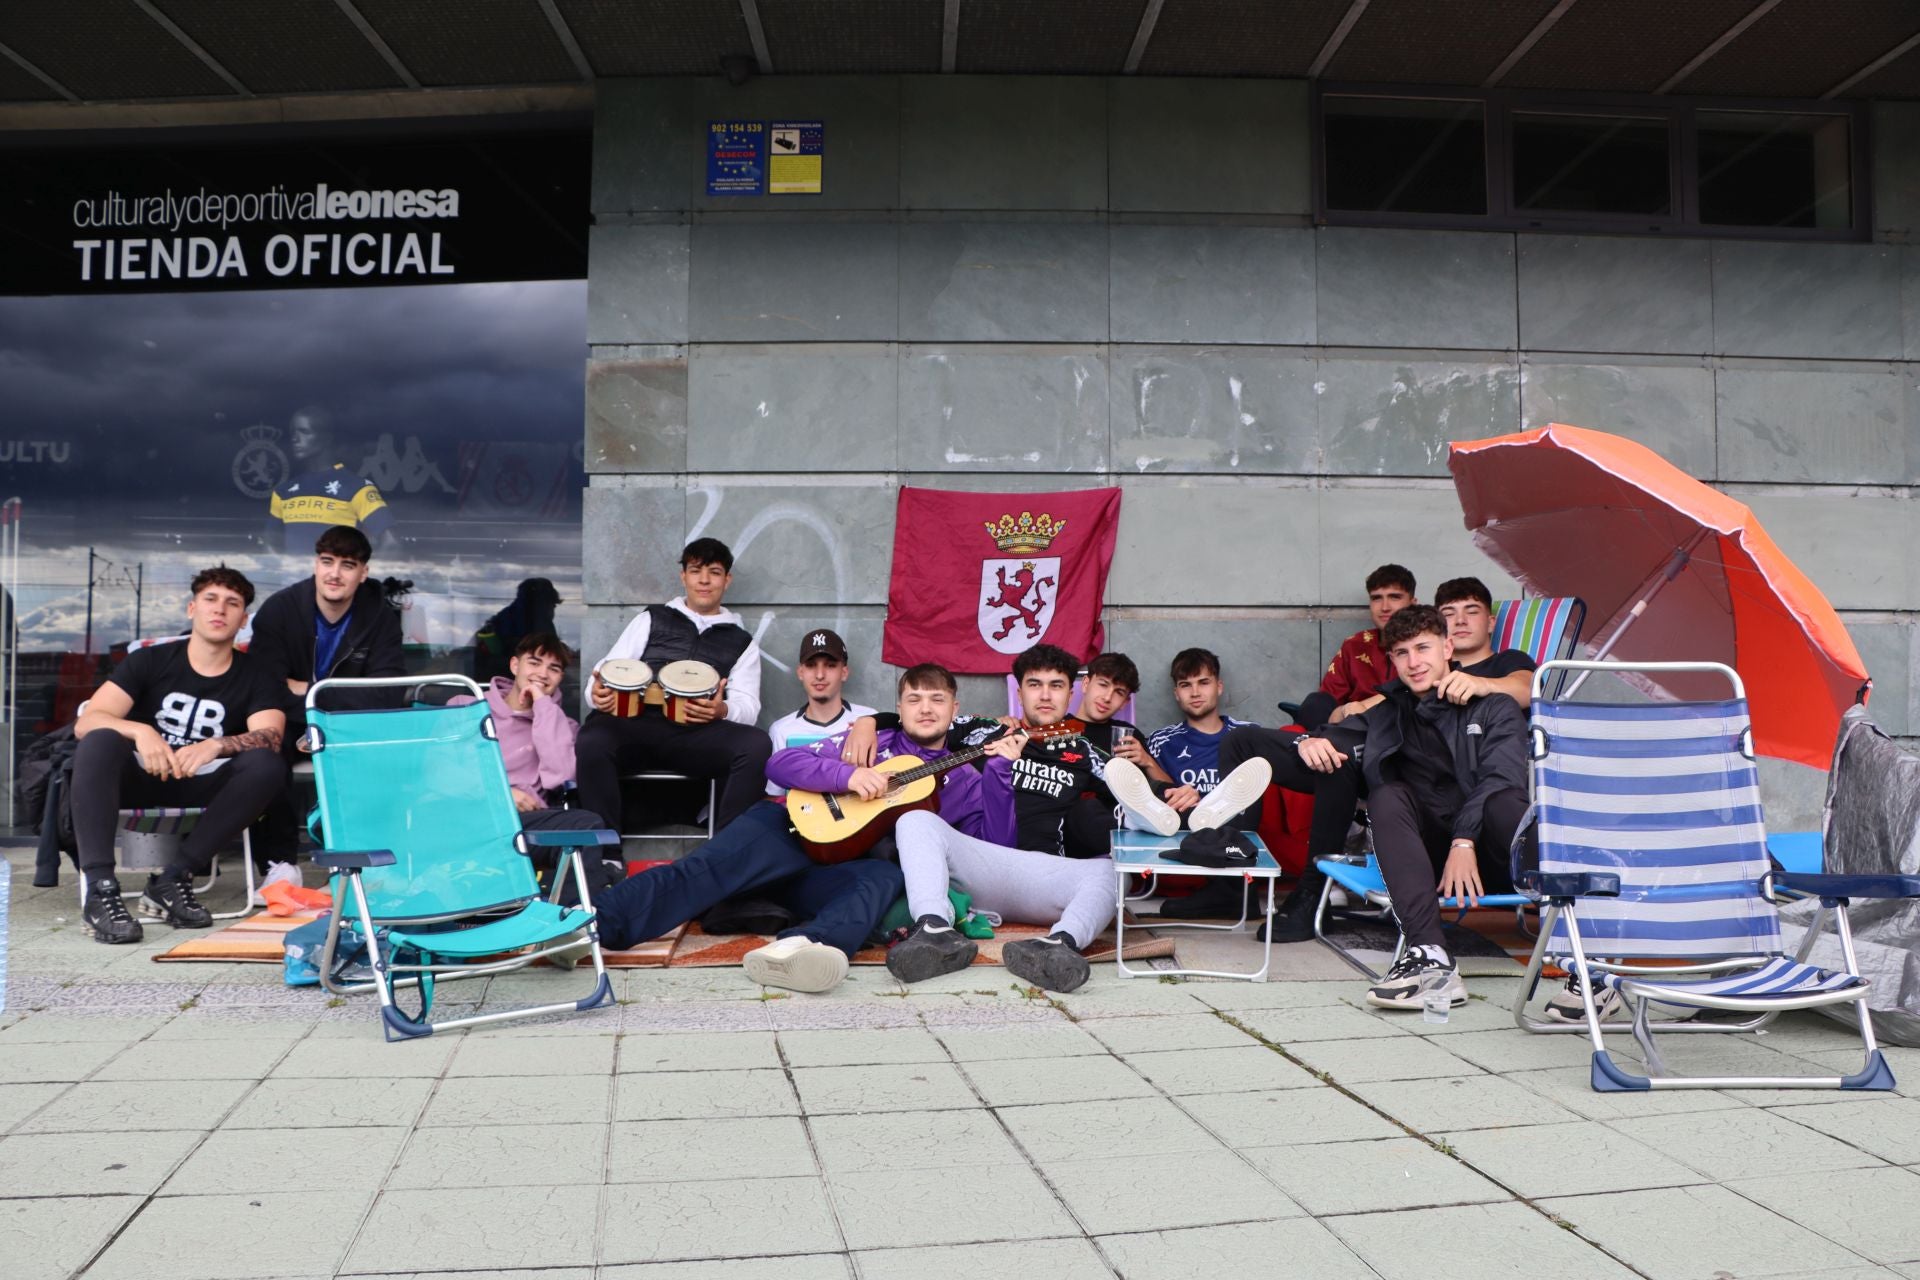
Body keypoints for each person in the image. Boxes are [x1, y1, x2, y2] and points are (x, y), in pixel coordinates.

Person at [588, 663, 1013, 993]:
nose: (925, 708)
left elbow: (991, 847)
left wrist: (999, 773)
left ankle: (800, 950)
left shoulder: (970, 782)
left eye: (937, 700)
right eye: (914, 699)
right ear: (898, 708)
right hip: (787, 828)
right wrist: (847, 777)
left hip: (837, 867)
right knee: (701, 871)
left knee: (881, 878)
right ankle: (589, 926)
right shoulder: (871, 741)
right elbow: (781, 763)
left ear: (954, 710)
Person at [1296, 605, 1530, 1010]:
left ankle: (1588, 966)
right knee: (1388, 795)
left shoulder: (1494, 704)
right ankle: (1432, 961)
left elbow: (1504, 777)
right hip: (1432, 864)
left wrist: (1464, 840)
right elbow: (1335, 733)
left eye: (1423, 648)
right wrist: (1306, 741)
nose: (1414, 662)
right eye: (1402, 653)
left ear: (1447, 647)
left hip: (1496, 854)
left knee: (1505, 800)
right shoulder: (1390, 712)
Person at [874, 644, 1129, 994]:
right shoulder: (981, 731)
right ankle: (933, 929)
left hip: (1040, 875)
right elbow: (922, 716)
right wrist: (866, 723)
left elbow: (1136, 791)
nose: (1044, 695)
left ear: (1070, 694)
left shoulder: (1083, 751)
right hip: (980, 861)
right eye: (1034, 684)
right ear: (1018, 690)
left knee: (1115, 870)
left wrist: (1171, 789)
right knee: (915, 820)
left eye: (1055, 686)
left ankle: (1058, 946)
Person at [69, 567, 289, 944]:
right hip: (138, 779)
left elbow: (271, 736)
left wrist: (217, 744)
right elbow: (87, 721)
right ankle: (101, 888)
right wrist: (142, 731)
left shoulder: (258, 674)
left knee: (267, 763)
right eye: (210, 599)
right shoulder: (150, 661)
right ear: (192, 609)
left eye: (232, 603)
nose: (219, 610)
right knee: (99, 740)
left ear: (244, 620)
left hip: (202, 786)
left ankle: (173, 879)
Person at [245, 525, 407, 891]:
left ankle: (360, 861)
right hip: (287, 720)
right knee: (264, 757)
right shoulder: (281, 610)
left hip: (348, 723)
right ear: (315, 564)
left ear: (363, 573)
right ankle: (279, 863)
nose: (335, 573)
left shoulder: (380, 617)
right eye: (327, 561)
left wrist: (314, 691)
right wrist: (328, 698)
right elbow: (263, 686)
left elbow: (386, 694)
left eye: (347, 565)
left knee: (382, 754)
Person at [575, 538, 771, 834]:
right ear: (684, 576)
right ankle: (602, 851)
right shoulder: (652, 618)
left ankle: (725, 853)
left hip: (696, 736)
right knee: (593, 738)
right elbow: (607, 670)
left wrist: (722, 710)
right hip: (637, 727)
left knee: (756, 745)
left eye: (714, 572)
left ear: (727, 580)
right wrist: (596, 694)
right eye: (695, 571)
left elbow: (749, 705)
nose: (704, 580)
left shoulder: (742, 641)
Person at [449, 631, 620, 902]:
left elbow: (562, 776)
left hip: (523, 826)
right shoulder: (466, 708)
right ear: (515, 665)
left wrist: (542, 705)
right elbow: (440, 772)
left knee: (585, 826)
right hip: (470, 816)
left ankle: (567, 915)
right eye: (535, 663)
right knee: (591, 849)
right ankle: (593, 900)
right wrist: (503, 794)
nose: (543, 673)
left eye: (554, 669)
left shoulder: (563, 726)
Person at [1102, 648, 1269, 838]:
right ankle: (1200, 817)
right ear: (1176, 693)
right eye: (1185, 685)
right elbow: (1158, 795)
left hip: (1237, 836)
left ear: (1219, 687)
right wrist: (1148, 761)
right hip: (1178, 836)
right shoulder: (1161, 740)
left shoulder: (1248, 734)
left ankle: (1214, 814)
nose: (1195, 692)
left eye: (1204, 683)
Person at [1297, 564, 1417, 730]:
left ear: (1413, 603)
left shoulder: (1427, 648)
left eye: (1394, 597)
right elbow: (1327, 698)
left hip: (1404, 731)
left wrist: (1363, 707)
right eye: (1376, 598)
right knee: (1317, 701)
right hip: (1351, 728)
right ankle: (1299, 742)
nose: (1384, 607)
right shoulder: (1355, 644)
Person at [266, 405, 393, 554]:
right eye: (293, 432)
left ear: (326, 438)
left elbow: (391, 545)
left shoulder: (356, 488)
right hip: (293, 577)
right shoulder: (284, 492)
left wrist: (356, 574)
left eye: (305, 432)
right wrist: (283, 574)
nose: (295, 438)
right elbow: (270, 544)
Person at [763, 629, 874, 797]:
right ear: (800, 672)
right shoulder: (781, 730)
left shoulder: (869, 718)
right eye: (811, 665)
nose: (820, 675)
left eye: (830, 665)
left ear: (844, 672)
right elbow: (777, 795)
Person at [1432, 577, 1537, 708]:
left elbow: (1529, 691)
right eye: (1448, 614)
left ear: (1490, 623)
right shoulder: (1429, 666)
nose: (1460, 620)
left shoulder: (1509, 660)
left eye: (1472, 612)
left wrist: (1480, 685)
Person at [472, 577, 562, 685]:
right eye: (553, 605)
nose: (552, 610)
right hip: (503, 682)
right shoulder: (539, 622)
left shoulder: (502, 619)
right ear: (545, 602)